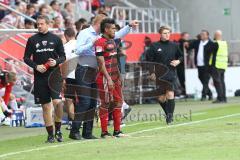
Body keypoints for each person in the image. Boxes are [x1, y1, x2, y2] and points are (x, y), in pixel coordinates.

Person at [69, 13, 138, 140]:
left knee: (93, 102)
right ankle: (74, 131)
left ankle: (87, 132)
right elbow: (77, 50)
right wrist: (91, 43)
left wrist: (129, 26)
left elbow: (117, 34)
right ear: (100, 23)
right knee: (84, 101)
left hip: (96, 71)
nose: (112, 29)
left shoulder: (103, 37)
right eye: (107, 24)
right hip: (84, 69)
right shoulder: (85, 33)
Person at [23, 15, 66, 143]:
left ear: (48, 24)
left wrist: (56, 62)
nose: (39, 26)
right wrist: (36, 66)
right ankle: (51, 135)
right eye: (38, 24)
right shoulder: (32, 40)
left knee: (58, 103)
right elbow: (26, 58)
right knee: (46, 107)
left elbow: (63, 56)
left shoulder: (56, 39)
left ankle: (58, 130)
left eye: (42, 23)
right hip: (40, 77)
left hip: (54, 75)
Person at [95, 18, 125, 138]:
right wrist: (108, 78)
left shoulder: (113, 42)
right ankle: (104, 132)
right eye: (112, 28)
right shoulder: (99, 42)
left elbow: (115, 60)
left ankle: (117, 131)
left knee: (119, 102)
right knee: (106, 103)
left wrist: (119, 75)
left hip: (115, 76)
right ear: (106, 29)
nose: (114, 30)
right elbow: (100, 63)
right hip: (104, 77)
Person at [147, 26, 183, 124]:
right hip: (159, 75)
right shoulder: (154, 46)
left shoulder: (174, 45)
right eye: (165, 33)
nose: (167, 35)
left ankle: (169, 118)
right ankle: (168, 113)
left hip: (171, 73)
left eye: (168, 33)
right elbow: (149, 61)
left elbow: (181, 56)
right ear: (160, 34)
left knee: (170, 94)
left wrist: (178, 61)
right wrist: (152, 73)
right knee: (161, 98)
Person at [188, 30, 214, 101]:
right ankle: (210, 93)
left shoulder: (211, 44)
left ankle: (203, 95)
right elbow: (189, 47)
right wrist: (186, 45)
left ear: (207, 36)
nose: (201, 35)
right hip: (199, 65)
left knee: (205, 80)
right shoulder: (197, 42)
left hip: (207, 65)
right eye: (201, 34)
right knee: (201, 78)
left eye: (203, 34)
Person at [62, 28, 78, 130]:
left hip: (70, 76)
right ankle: (81, 121)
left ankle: (73, 122)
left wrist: (63, 77)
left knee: (69, 99)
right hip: (82, 75)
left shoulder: (65, 47)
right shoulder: (80, 44)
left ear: (66, 36)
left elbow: (65, 63)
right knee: (83, 99)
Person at [209, 30, 228, 103]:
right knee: (222, 82)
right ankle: (224, 98)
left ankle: (220, 98)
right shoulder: (224, 43)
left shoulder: (216, 44)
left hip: (216, 65)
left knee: (217, 82)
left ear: (216, 35)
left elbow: (209, 51)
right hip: (223, 65)